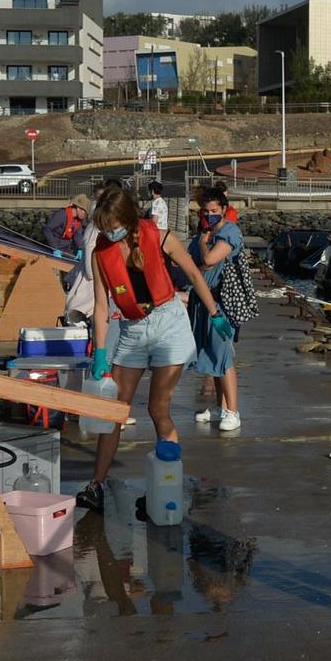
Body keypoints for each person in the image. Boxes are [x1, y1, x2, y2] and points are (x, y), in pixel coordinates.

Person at [77, 183, 232, 519]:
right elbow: (102, 306)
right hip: (133, 330)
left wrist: (215, 314)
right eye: (103, 228)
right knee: (115, 411)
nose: (108, 233)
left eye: (113, 226)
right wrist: (100, 352)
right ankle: (96, 485)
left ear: (128, 218)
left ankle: (165, 490)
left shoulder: (161, 237)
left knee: (158, 408)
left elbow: (193, 272)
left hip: (168, 324)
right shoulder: (100, 253)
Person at [179, 185, 245, 432]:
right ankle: (220, 406)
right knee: (212, 355)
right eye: (205, 211)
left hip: (222, 302)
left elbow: (207, 261)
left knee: (224, 355)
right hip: (202, 302)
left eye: (214, 210)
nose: (209, 215)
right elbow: (191, 264)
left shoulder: (229, 233)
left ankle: (233, 411)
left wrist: (205, 244)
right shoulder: (204, 233)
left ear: (224, 210)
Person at [44, 193, 92, 297]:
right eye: (84, 211)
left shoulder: (78, 221)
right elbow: (47, 230)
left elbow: (78, 235)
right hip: (54, 245)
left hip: (67, 246)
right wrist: (54, 248)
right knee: (56, 269)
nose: (85, 214)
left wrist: (80, 249)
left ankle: (69, 290)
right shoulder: (61, 214)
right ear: (78, 208)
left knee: (73, 266)